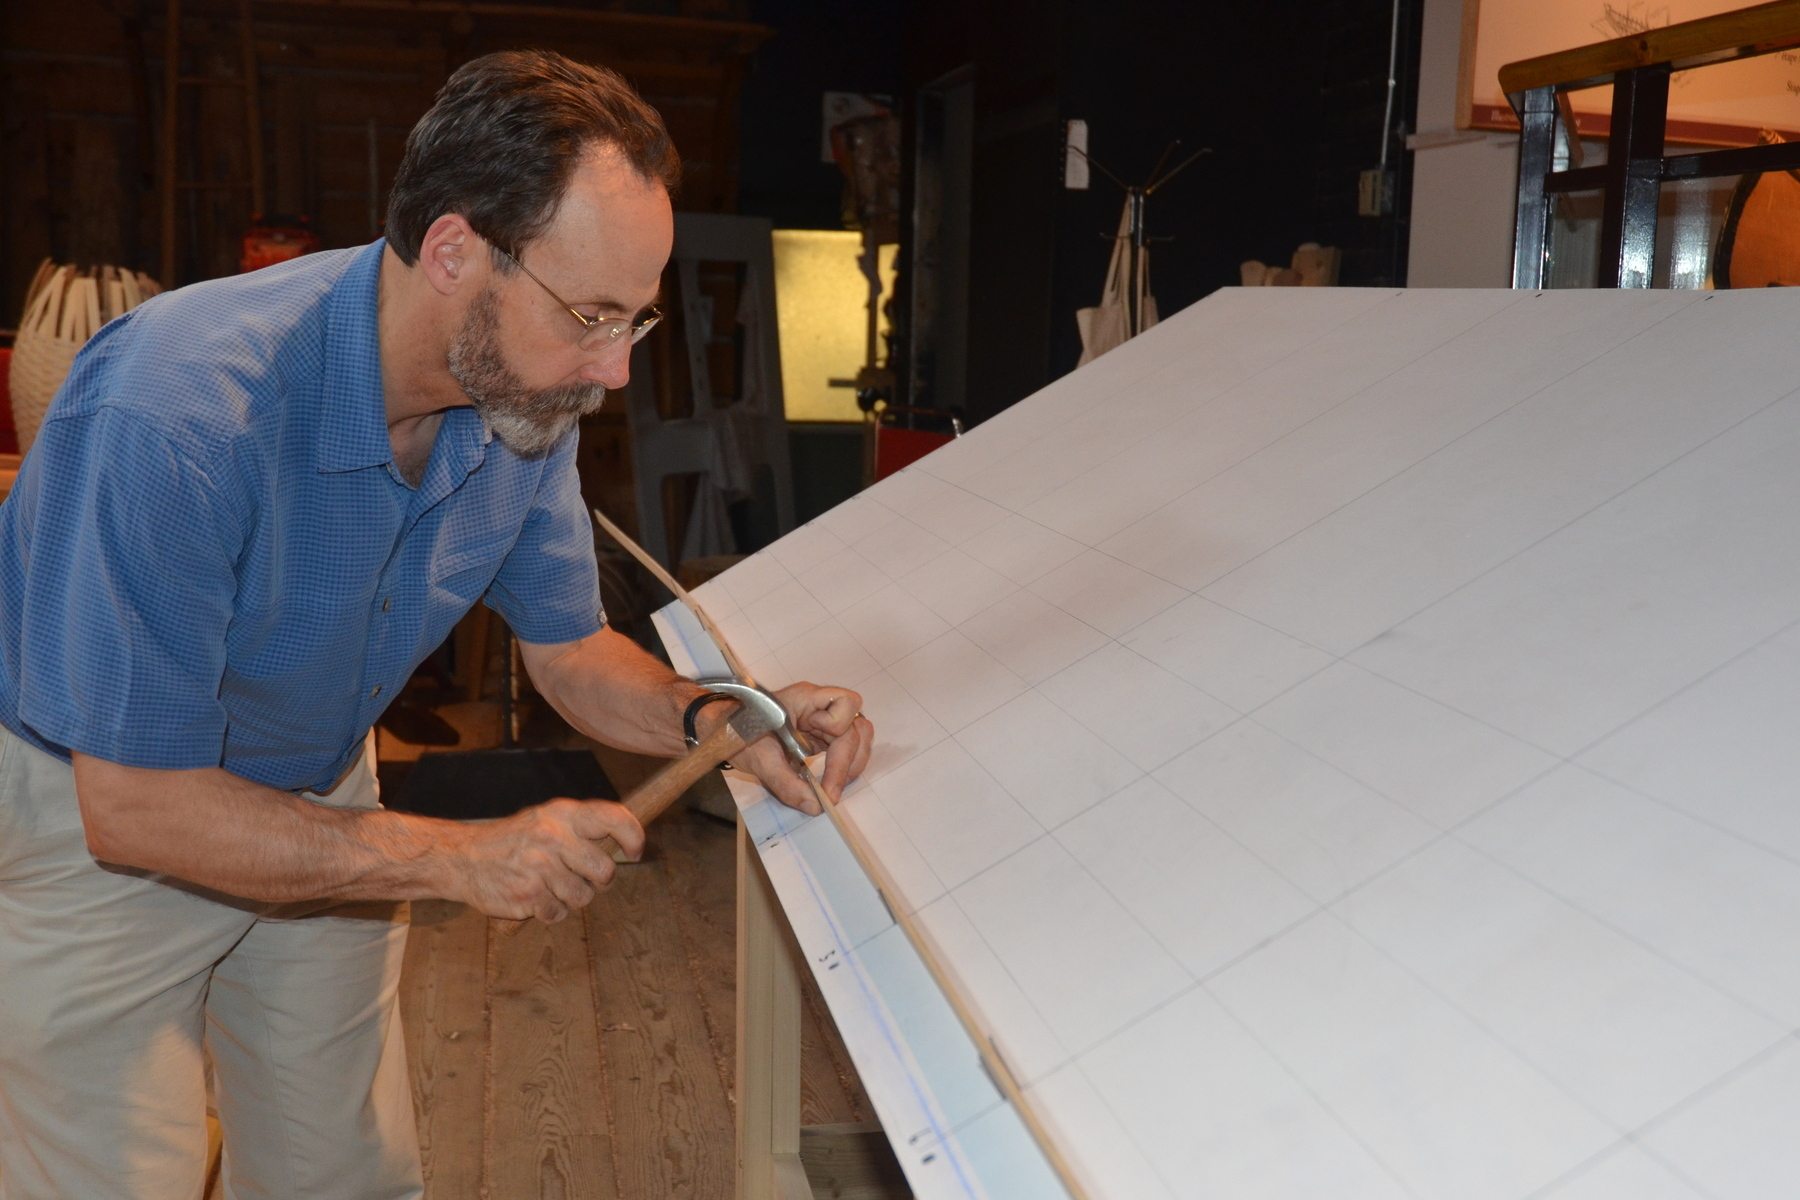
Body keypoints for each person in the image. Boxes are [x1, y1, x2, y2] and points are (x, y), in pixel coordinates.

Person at [0, 49, 872, 1198]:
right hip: (101, 817)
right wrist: (462, 857)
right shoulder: (177, 414)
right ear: (454, 251)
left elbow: (568, 656)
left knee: (346, 1177)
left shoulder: (525, 398)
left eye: (635, 322)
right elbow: (138, 809)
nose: (612, 371)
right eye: (592, 315)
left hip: (317, 779)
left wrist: (715, 717)